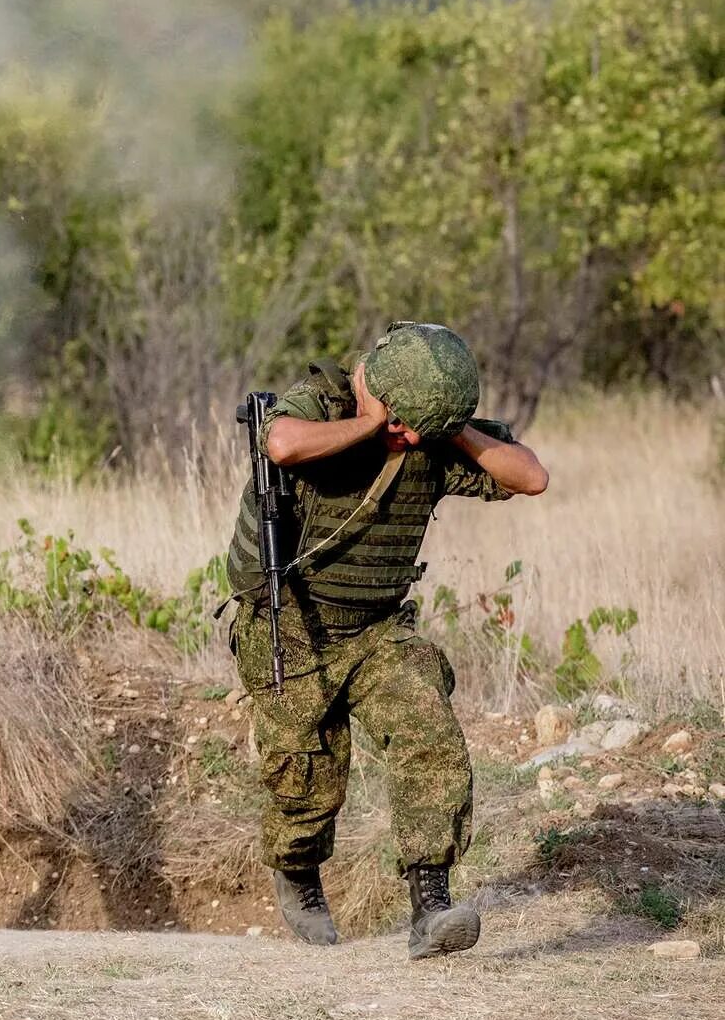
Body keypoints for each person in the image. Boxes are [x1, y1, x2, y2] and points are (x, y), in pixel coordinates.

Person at [224, 322, 549, 958]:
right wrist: (374, 425)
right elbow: (282, 444)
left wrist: (449, 430)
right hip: (291, 618)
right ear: (374, 384)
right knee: (305, 774)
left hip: (377, 626)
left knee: (429, 730)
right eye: (401, 422)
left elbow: (531, 477)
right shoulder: (326, 402)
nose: (406, 440)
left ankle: (432, 904)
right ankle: (297, 872)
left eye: (416, 430)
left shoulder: (433, 427)